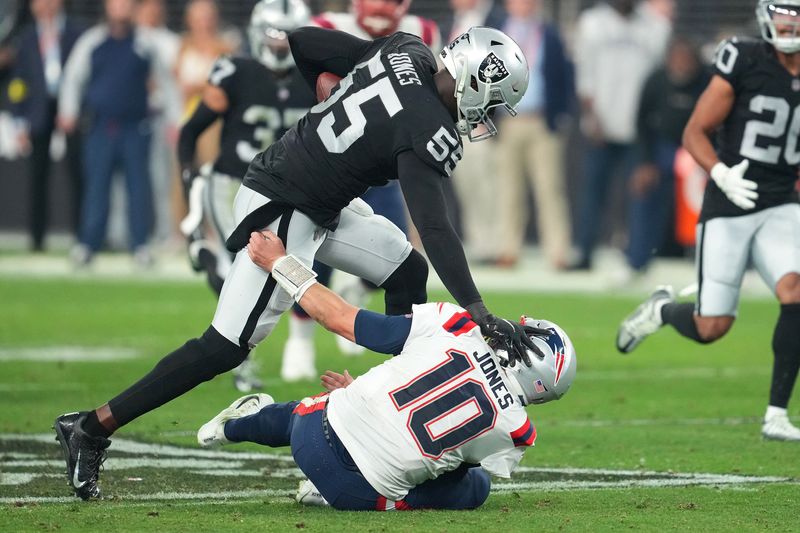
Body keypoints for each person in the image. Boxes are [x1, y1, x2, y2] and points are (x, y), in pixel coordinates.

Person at [53, 26, 537, 501]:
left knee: (407, 270)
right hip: (283, 206)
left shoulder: (406, 48)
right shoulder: (426, 127)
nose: (488, 116)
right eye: (493, 103)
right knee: (224, 347)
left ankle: (387, 407)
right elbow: (434, 227)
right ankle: (91, 428)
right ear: (477, 80)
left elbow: (301, 40)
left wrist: (320, 87)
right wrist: (476, 308)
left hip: (313, 193)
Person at [194, 229, 576, 511]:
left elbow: (340, 318)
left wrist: (280, 263)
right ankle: (331, 492)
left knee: (305, 413)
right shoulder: (517, 431)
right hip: (355, 495)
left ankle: (230, 428)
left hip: (309, 434)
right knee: (475, 486)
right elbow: (447, 467)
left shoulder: (455, 325)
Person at [616, 0, 800, 441]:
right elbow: (694, 131)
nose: (787, 24)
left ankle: (776, 413)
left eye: (796, 15)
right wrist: (720, 173)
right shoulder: (746, 58)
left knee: (795, 290)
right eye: (782, 14)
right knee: (712, 326)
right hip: (730, 199)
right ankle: (662, 310)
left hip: (781, 201)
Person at [278, 0, 443, 376]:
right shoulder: (329, 23)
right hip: (335, 154)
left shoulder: (423, 31)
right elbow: (303, 64)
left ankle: (356, 295)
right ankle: (300, 338)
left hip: (383, 162)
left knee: (398, 246)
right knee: (312, 251)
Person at [178, 0, 316, 391]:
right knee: (246, 264)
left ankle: (208, 262)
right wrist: (190, 176)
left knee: (283, 271)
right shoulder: (235, 71)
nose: (279, 52)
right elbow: (191, 131)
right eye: (274, 43)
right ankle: (238, 356)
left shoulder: (312, 78)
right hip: (232, 185)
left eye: (286, 44)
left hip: (286, 190)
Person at [58, 0, 180, 267]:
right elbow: (73, 77)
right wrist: (68, 110)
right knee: (97, 188)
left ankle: (140, 244)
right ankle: (88, 243)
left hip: (135, 127)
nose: (122, 6)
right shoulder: (93, 41)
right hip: (101, 127)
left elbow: (166, 81)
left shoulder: (145, 43)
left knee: (138, 189)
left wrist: (174, 118)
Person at [570, 0, 671, 272]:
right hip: (601, 124)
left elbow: (659, 79)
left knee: (640, 196)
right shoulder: (592, 22)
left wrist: (651, 124)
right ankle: (585, 252)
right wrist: (592, 118)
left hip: (640, 128)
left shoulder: (656, 25)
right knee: (593, 193)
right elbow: (584, 76)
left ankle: (637, 258)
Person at [492, 0, 575, 270]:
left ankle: (558, 250)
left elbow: (564, 75)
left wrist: (561, 114)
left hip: (541, 121)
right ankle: (508, 248)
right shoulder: (498, 33)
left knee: (550, 188)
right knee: (508, 189)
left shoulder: (548, 33)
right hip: (509, 120)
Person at [8, 0, 84, 252]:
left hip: (69, 108)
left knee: (78, 174)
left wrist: (75, 108)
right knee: (38, 176)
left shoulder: (75, 32)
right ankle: (37, 237)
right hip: (39, 110)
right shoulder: (28, 37)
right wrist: (20, 119)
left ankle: (82, 235)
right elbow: (19, 80)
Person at [627, 37, 708, 272]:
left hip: (696, 149)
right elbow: (641, 123)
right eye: (677, 59)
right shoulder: (656, 80)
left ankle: (703, 260)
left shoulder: (707, 82)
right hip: (662, 148)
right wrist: (645, 162)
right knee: (644, 192)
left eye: (686, 59)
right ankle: (637, 259)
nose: (681, 65)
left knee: (707, 201)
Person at [135, 0, 181, 247]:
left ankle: (165, 231)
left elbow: (174, 86)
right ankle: (123, 233)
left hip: (163, 117)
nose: (151, 12)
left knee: (163, 178)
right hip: (133, 117)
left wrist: (175, 118)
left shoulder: (171, 42)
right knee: (128, 180)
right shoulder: (131, 38)